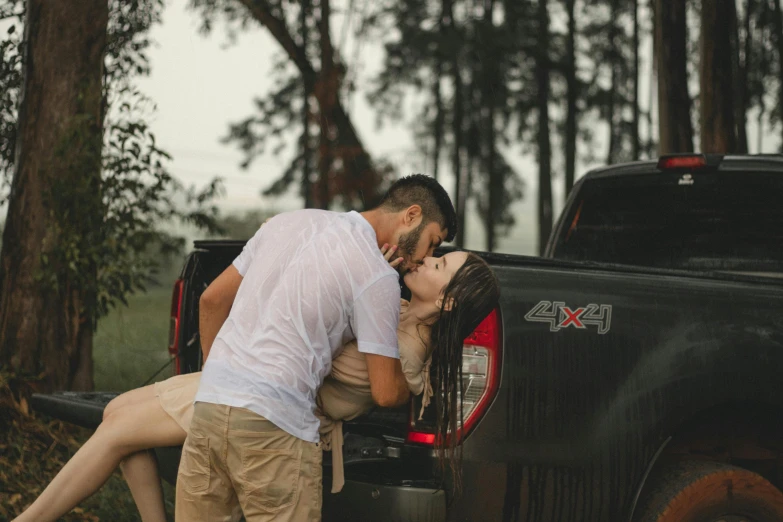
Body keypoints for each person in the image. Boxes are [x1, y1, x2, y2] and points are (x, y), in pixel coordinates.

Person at [13, 247, 500, 522]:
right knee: (118, 414)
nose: (426, 259)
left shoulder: (408, 350)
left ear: (450, 304)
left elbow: (348, 372)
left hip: (268, 401)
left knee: (118, 428)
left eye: (438, 266)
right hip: (255, 381)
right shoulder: (392, 311)